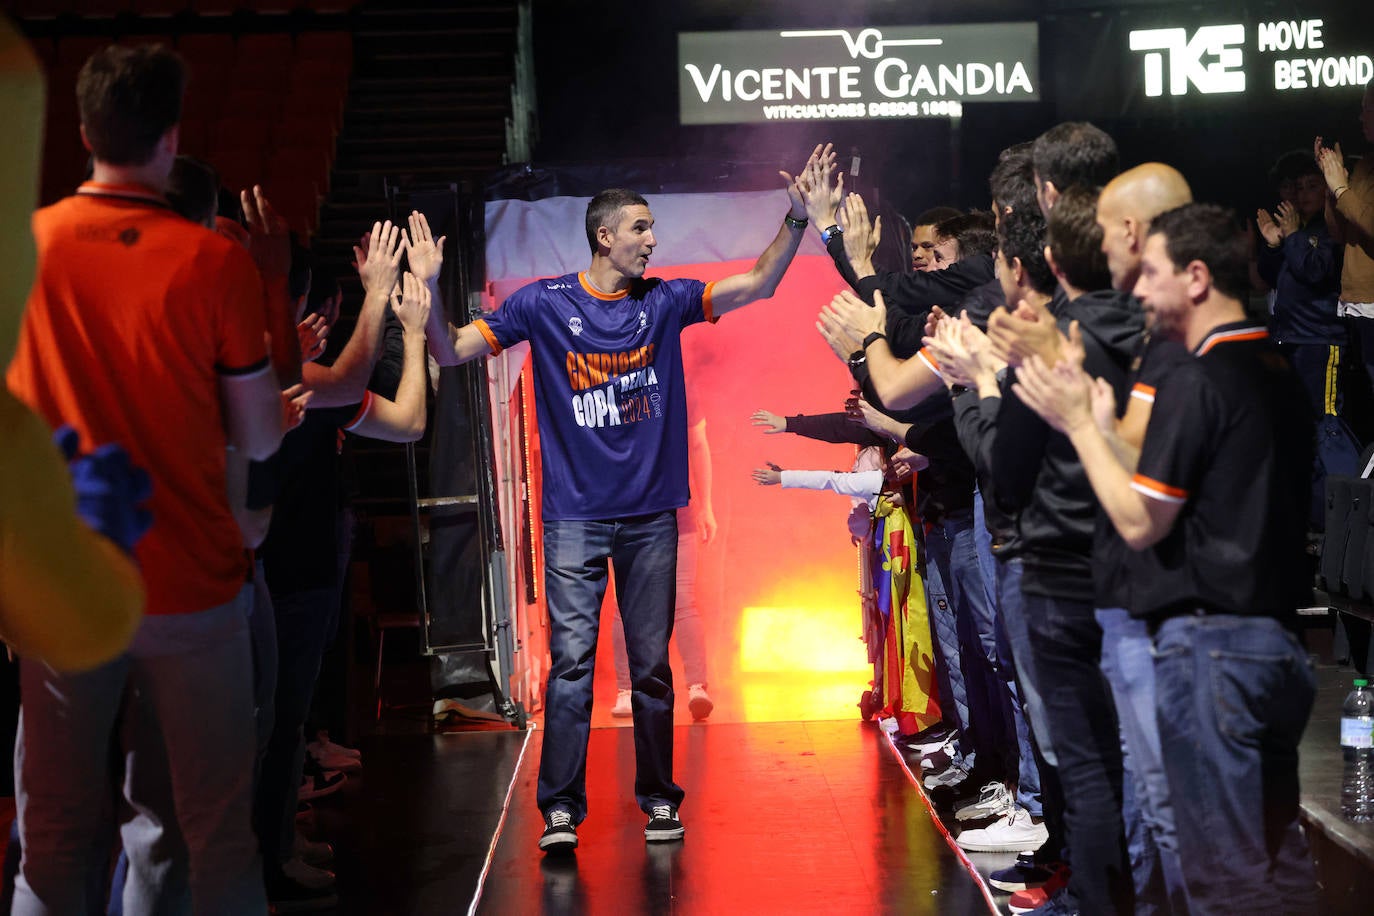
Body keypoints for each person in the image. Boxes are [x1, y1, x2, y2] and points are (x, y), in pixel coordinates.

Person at [424, 148, 823, 852]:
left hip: (648, 519)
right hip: (574, 518)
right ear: (604, 235)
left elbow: (759, 284)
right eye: (641, 228)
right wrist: (425, 294)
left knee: (651, 669)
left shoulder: (666, 300)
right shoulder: (544, 304)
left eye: (652, 229)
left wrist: (795, 218)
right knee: (574, 667)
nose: (653, 240)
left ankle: (660, 801)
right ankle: (560, 811)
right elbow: (454, 348)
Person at [6, 44, 287, 913]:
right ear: (170, 139)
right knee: (203, 834)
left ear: (84, 131)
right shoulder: (213, 263)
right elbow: (260, 434)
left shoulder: (25, 246)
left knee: (49, 839)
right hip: (191, 594)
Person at [1013, 202, 1318, 914]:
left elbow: (1138, 519)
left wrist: (1081, 423)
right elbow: (1187, 482)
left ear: (1198, 277)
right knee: (1282, 864)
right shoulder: (1274, 363)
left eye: (1152, 274)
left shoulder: (1198, 377)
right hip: (1277, 644)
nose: (1141, 291)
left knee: (1225, 875)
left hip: (1213, 651)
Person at [610, 385, 717, 721]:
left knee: (665, 600)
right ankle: (634, 689)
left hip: (662, 510)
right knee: (641, 602)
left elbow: (699, 445)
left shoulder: (676, 389)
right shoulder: (665, 387)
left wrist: (706, 506)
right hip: (636, 511)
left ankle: (690, 687)